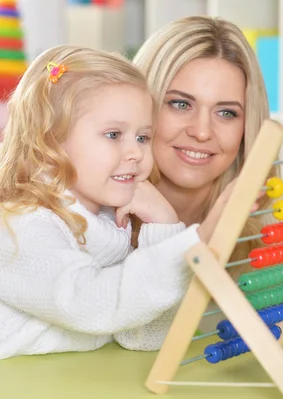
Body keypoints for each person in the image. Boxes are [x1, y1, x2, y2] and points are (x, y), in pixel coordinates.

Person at [0, 44, 242, 360]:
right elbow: (91, 304)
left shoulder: (105, 222)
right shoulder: (21, 226)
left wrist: (165, 227)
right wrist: (197, 240)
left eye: (142, 137)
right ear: (50, 141)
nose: (136, 153)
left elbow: (142, 335)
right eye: (114, 135)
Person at [132, 16, 278, 276]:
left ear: (247, 128)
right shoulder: (89, 226)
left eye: (226, 113)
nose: (201, 132)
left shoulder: (266, 238)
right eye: (180, 104)